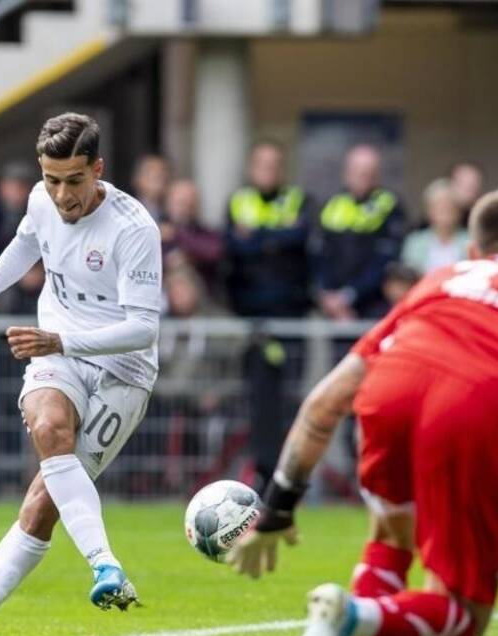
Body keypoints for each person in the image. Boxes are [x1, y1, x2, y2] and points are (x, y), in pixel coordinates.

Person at [229, 189, 498, 636]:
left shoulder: (440, 279)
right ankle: (349, 618)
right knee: (463, 614)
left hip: (390, 393)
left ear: (473, 249)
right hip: (474, 407)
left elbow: (325, 403)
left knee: (390, 534)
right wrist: (485, 475)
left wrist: (278, 508)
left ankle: (345, 621)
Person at [0, 113, 162, 636]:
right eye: (51, 179)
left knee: (43, 504)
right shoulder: (41, 200)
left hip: (124, 371)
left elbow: (142, 328)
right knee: (48, 429)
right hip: (59, 349)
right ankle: (102, 567)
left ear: (98, 169)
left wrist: (60, 340)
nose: (62, 195)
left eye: (74, 180)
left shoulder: (134, 229)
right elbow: (25, 243)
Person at [225, 140, 312, 492]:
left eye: (274, 164)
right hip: (252, 320)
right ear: (251, 167)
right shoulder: (238, 201)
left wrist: (257, 240)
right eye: (262, 164)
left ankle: (289, 478)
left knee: (290, 400)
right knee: (254, 403)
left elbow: (300, 239)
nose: (268, 171)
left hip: (290, 317)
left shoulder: (298, 200)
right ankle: (258, 474)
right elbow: (233, 248)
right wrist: (276, 240)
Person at [314, 144, 407, 320]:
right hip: (335, 308)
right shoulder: (332, 204)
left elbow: (386, 260)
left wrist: (350, 295)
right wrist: (329, 295)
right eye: (358, 170)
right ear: (346, 172)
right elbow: (321, 254)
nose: (363, 176)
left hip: (374, 304)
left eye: (369, 171)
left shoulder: (389, 205)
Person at [160, 179, 224, 292]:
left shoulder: (205, 233)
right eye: (181, 203)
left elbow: (214, 251)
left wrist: (177, 234)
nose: (185, 209)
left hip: (202, 301)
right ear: (167, 202)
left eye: (191, 204)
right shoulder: (155, 230)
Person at [401, 178, 468, 274]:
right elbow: (409, 275)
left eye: (449, 208)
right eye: (440, 208)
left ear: (458, 211)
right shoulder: (415, 241)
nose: (445, 214)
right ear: (429, 211)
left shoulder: (470, 241)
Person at [131, 154, 171, 221]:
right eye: (154, 175)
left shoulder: (172, 210)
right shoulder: (129, 210)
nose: (161, 177)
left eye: (163, 171)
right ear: (138, 179)